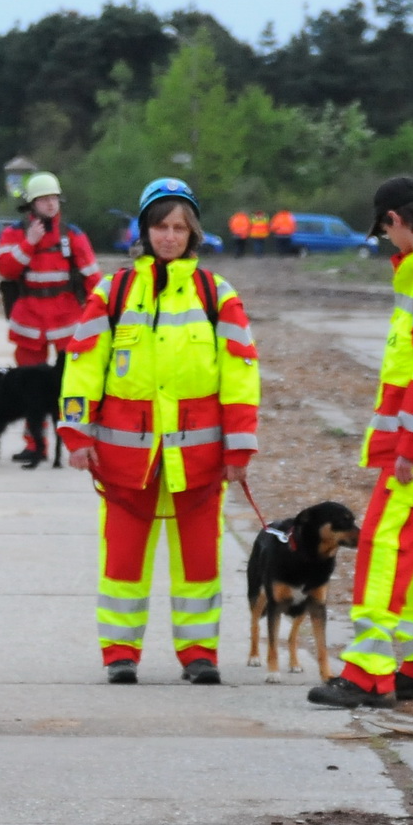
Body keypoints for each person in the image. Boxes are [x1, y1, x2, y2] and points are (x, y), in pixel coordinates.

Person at [59, 178, 259, 686]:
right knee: (123, 562)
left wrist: (239, 446)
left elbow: (241, 375)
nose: (168, 236)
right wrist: (77, 435)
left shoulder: (218, 295)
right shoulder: (113, 292)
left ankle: (199, 654)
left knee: (199, 562)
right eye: (159, 226)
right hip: (127, 462)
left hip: (199, 462)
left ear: (193, 234)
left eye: (178, 227)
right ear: (144, 232)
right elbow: (82, 366)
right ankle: (120, 654)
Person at [309, 177, 413, 710]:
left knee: (384, 548)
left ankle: (366, 674)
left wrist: (410, 441)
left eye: (385, 232)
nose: (387, 243)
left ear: (395, 220)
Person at [0, 172, 102, 463]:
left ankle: (74, 440)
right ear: (32, 205)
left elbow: (93, 278)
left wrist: (100, 316)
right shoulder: (14, 234)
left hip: (67, 320)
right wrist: (29, 242)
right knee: (29, 388)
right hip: (29, 321)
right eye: (44, 199)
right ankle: (34, 444)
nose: (51, 204)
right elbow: (6, 269)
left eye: (54, 198)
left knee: (71, 386)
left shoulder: (72, 234)